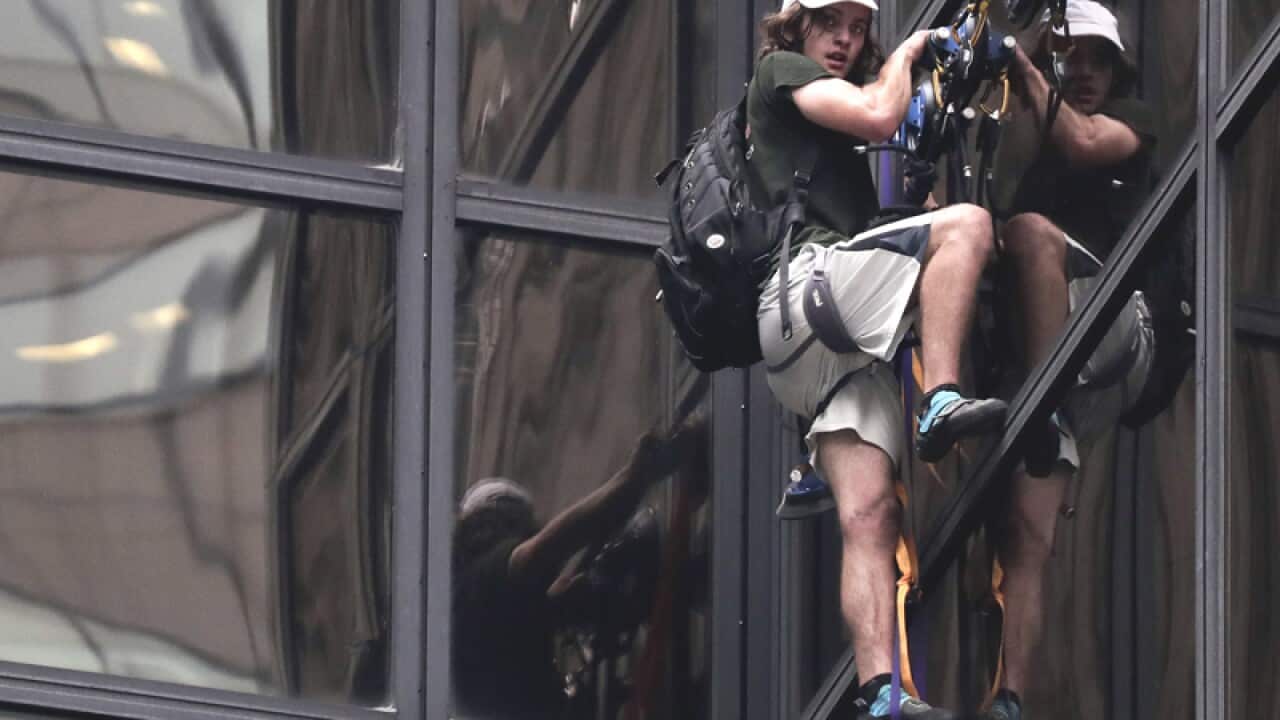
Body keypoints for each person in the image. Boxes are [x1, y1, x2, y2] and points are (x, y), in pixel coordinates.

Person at [750, 1, 1008, 717]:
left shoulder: (823, 154)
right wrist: (911, 54)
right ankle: (943, 398)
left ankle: (879, 692)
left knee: (868, 514)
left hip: (815, 349)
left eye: (859, 29)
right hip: (808, 290)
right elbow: (875, 116)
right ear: (797, 24)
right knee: (969, 226)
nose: (846, 39)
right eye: (831, 22)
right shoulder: (780, 71)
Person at [990, 2, 1158, 718]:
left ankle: (1041, 403)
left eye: (1096, 57)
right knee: (1028, 534)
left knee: (1027, 232)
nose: (1084, 71)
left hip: (1119, 325)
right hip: (1061, 361)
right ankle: (1010, 697)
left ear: (1117, 68)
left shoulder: (1133, 121)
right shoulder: (1035, 176)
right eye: (1072, 56)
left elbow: (1083, 139)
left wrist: (1023, 64)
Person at [451, 420, 705, 719]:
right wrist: (637, 475)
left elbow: (525, 625)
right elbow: (552, 546)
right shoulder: (483, 582)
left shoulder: (471, 616)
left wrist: (569, 599)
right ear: (497, 524)